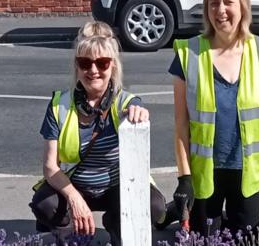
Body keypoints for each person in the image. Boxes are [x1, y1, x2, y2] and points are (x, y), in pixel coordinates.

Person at [169, 0, 259, 242]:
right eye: (213, 3)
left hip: (246, 171)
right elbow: (181, 124)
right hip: (205, 173)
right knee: (203, 239)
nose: (220, 10)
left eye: (228, 2)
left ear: (243, 7)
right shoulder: (188, 53)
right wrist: (184, 178)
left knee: (245, 240)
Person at [29, 23, 173, 246]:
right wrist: (75, 199)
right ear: (76, 67)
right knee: (44, 203)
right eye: (85, 63)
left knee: (154, 206)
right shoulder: (60, 105)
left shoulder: (125, 102)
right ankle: (75, 237)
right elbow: (50, 166)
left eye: (102, 63)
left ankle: (116, 226)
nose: (93, 70)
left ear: (113, 66)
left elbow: (136, 106)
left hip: (115, 187)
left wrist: (139, 111)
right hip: (76, 185)